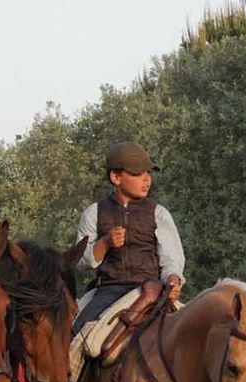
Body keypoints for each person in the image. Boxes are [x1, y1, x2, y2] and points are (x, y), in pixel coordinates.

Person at [70, 142, 186, 353]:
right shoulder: (93, 213)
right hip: (109, 291)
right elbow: (81, 263)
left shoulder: (159, 213)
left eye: (148, 173)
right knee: (77, 339)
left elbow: (171, 259)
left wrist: (174, 279)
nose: (146, 179)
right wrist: (104, 243)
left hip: (151, 289)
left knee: (192, 336)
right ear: (116, 178)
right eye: (138, 173)